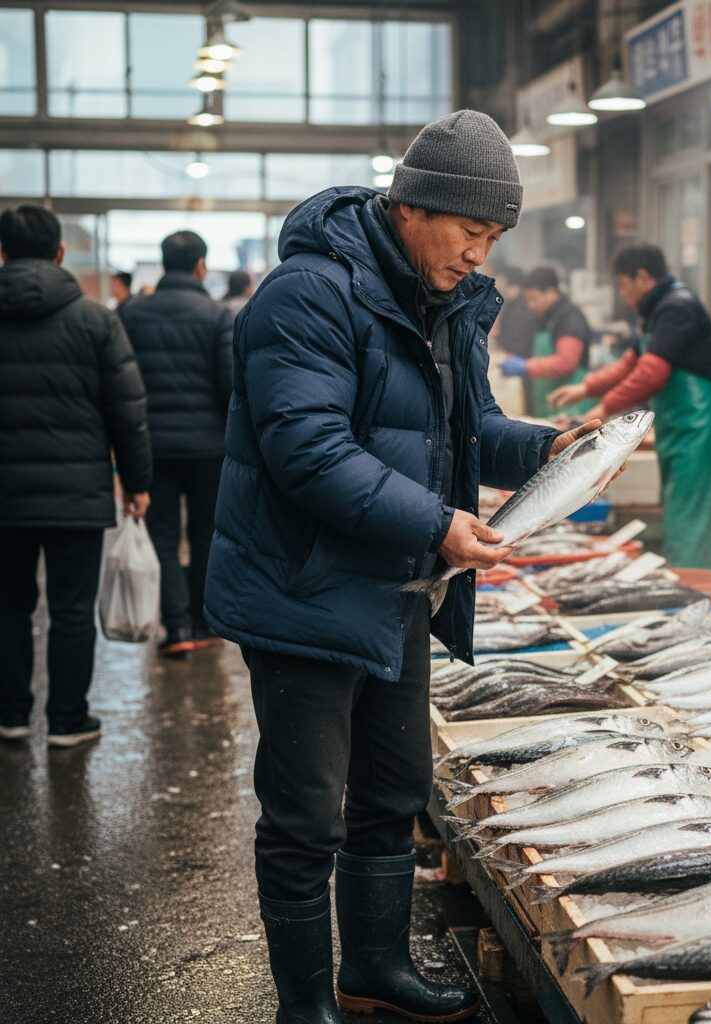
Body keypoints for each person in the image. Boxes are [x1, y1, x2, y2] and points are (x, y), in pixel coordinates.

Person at [204, 110, 600, 1024]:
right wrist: (439, 523)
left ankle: (373, 966)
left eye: (496, 237)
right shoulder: (307, 295)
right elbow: (307, 449)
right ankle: (304, 1004)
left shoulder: (448, 302)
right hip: (303, 590)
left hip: (395, 587)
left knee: (390, 793)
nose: (480, 253)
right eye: (473, 231)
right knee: (306, 816)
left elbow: (469, 432)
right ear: (415, 206)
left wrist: (550, 449)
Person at [0, 205, 151, 747]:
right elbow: (127, 411)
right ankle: (68, 719)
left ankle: (11, 713)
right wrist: (137, 483)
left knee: (9, 607)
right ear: (59, 254)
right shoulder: (95, 320)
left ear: (2, 252)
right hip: (76, 494)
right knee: (69, 610)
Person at [550, 244, 711, 568]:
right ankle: (682, 579)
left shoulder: (677, 307)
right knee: (678, 507)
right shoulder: (656, 309)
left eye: (622, 285)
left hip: (699, 423)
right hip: (680, 425)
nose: (622, 295)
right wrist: (585, 388)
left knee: (691, 513)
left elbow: (652, 372)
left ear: (642, 277)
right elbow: (631, 363)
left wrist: (604, 409)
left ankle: (695, 586)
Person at [121, 231, 233, 657]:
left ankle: (176, 625)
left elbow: (121, 385)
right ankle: (202, 619)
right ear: (200, 266)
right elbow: (230, 385)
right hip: (208, 449)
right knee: (206, 534)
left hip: (151, 447)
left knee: (163, 536)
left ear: (163, 263)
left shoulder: (133, 314)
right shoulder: (216, 315)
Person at [499, 265, 592, 417]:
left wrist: (525, 366)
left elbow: (566, 362)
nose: (530, 305)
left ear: (550, 292)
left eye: (533, 298)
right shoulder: (544, 317)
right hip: (548, 406)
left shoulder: (569, 317)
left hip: (570, 408)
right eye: (527, 299)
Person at [490, 265, 535, 358]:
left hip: (518, 360)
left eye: (504, 287)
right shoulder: (510, 305)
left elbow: (517, 342)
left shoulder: (522, 308)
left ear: (514, 286)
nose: (501, 290)